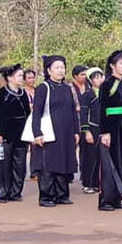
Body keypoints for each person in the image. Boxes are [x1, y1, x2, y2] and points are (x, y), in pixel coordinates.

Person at [32, 56, 81, 207]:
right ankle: (46, 196)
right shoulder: (43, 88)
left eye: (62, 67)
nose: (60, 70)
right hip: (49, 131)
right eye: (57, 67)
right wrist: (37, 133)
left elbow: (73, 111)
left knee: (64, 161)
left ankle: (62, 195)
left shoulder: (67, 88)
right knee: (48, 163)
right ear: (48, 70)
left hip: (66, 132)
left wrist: (76, 131)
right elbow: (36, 112)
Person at [98, 50, 122, 211]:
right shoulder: (106, 84)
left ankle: (118, 197)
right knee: (109, 163)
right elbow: (101, 108)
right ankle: (105, 200)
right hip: (111, 126)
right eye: (121, 63)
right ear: (112, 66)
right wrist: (104, 132)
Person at [0, 64, 31, 203]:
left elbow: (28, 114)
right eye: (19, 75)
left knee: (20, 166)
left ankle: (15, 192)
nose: (22, 78)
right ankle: (1, 193)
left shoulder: (23, 93)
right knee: (3, 165)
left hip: (21, 134)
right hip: (5, 135)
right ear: (9, 78)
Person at [79, 67, 105, 194]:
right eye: (96, 77)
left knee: (100, 158)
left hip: (102, 129)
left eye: (100, 77)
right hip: (91, 128)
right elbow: (83, 113)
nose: (99, 80)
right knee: (89, 158)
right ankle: (87, 184)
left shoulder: (105, 94)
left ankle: (96, 183)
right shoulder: (87, 95)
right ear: (90, 80)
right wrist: (86, 131)